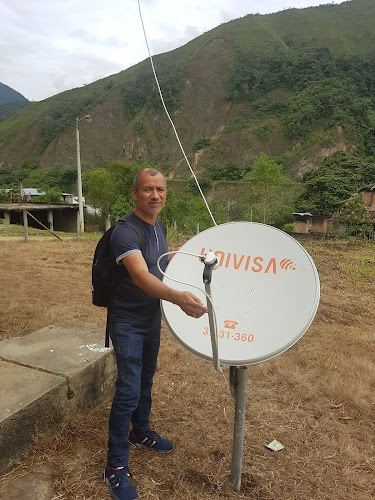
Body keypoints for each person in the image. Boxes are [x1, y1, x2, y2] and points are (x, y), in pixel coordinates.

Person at [104, 168, 207, 500]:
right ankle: (115, 466)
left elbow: (157, 263)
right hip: (127, 321)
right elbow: (139, 275)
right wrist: (177, 298)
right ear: (134, 193)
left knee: (146, 378)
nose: (155, 195)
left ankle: (140, 431)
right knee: (128, 389)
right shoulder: (124, 231)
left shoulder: (158, 226)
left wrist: (193, 255)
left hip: (150, 317)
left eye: (160, 189)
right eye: (147, 189)